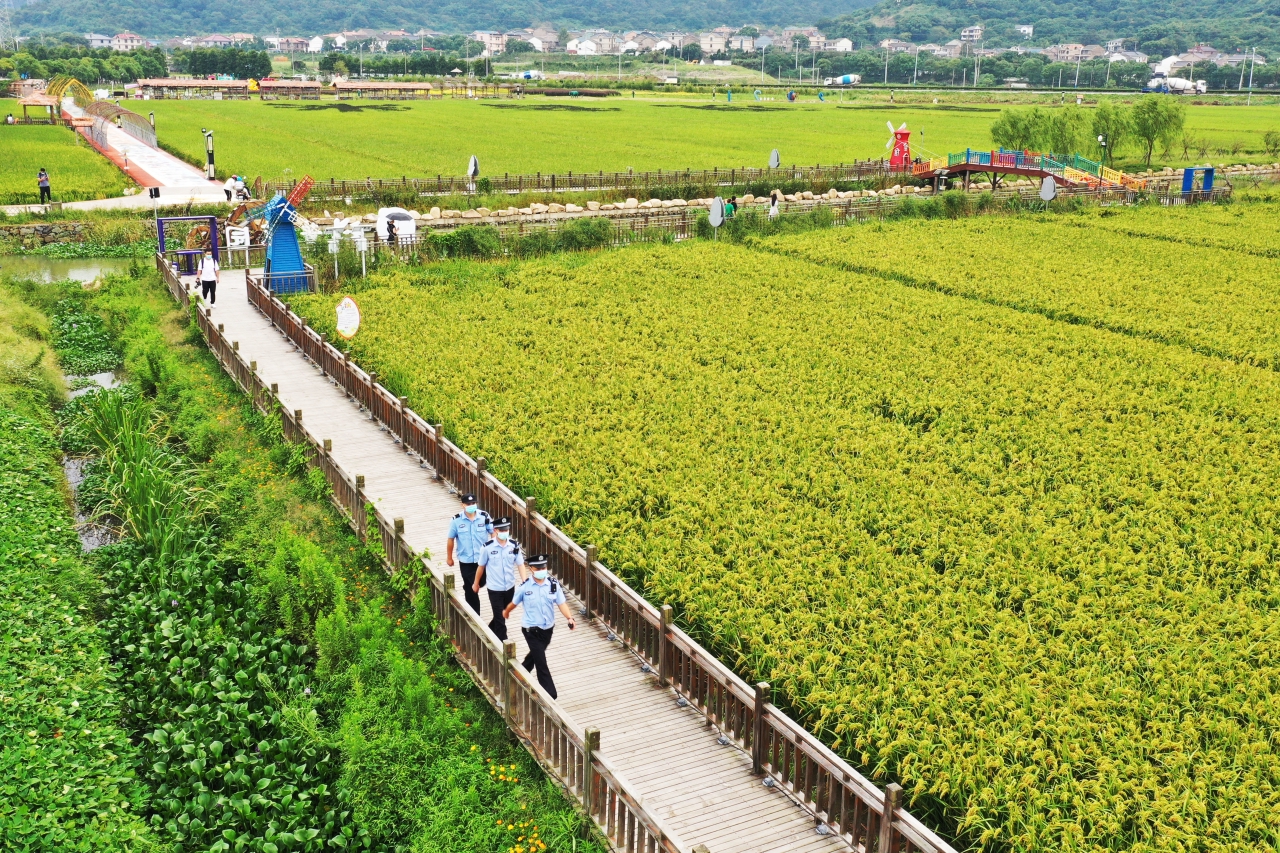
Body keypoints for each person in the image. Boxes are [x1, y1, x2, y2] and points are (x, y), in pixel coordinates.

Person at [502, 554, 575, 699]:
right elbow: (514, 602)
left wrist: (569, 618)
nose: (542, 570)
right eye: (539, 568)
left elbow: (561, 603)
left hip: (548, 629)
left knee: (534, 657)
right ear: (531, 569)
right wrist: (507, 611)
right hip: (531, 630)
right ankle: (550, 695)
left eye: (544, 567)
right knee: (541, 662)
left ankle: (517, 675)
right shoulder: (525, 587)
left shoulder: (553, 585)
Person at [473, 515, 524, 641]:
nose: (504, 532)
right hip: (495, 589)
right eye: (501, 530)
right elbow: (481, 566)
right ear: (495, 530)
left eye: (506, 530)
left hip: (509, 587)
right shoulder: (487, 547)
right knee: (501, 618)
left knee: (500, 615)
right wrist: (476, 583)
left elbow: (520, 564)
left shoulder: (514, 546)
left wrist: (524, 580)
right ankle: (503, 646)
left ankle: (488, 633)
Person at [446, 493, 493, 615]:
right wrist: (449, 557)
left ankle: (468, 587)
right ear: (463, 505)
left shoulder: (484, 516)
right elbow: (450, 539)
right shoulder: (456, 520)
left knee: (481, 582)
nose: (471, 506)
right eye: (468, 504)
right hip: (466, 560)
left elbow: (493, 532)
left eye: (473, 503)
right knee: (472, 588)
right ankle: (474, 615)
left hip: (483, 560)